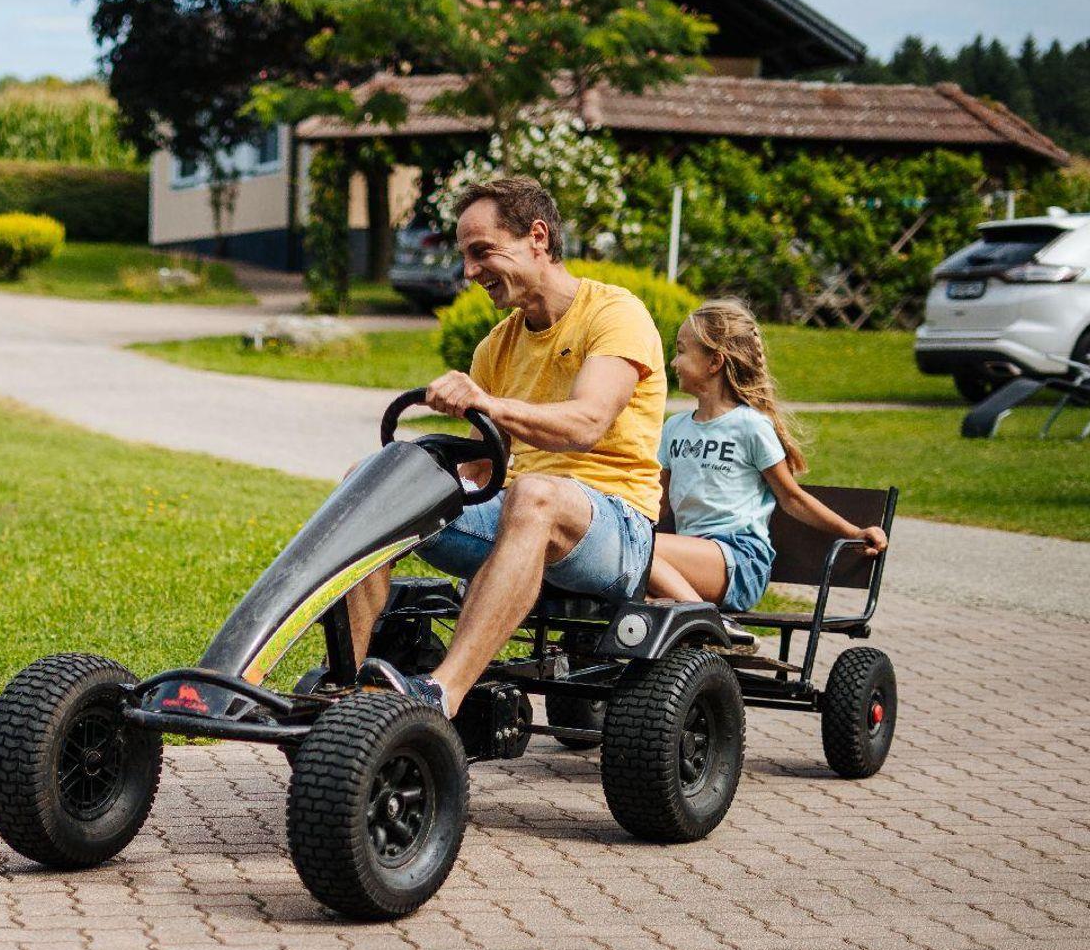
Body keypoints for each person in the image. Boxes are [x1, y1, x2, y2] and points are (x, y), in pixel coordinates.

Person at [346, 176, 668, 716]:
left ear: (537, 238)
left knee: (534, 494)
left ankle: (441, 693)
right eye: (465, 257)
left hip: (617, 529)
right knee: (374, 481)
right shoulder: (497, 345)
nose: (469, 272)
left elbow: (587, 423)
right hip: (520, 516)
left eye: (481, 252)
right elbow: (480, 469)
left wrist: (490, 404)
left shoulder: (615, 314)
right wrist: (409, 479)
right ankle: (344, 688)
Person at [647, 299, 888, 611]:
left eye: (681, 351)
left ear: (714, 362)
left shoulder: (750, 426)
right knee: (624, 567)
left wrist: (854, 533)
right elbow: (658, 503)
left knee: (640, 551)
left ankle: (715, 626)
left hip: (741, 560)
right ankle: (706, 631)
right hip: (690, 561)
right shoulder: (674, 428)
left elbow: (792, 498)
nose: (673, 362)